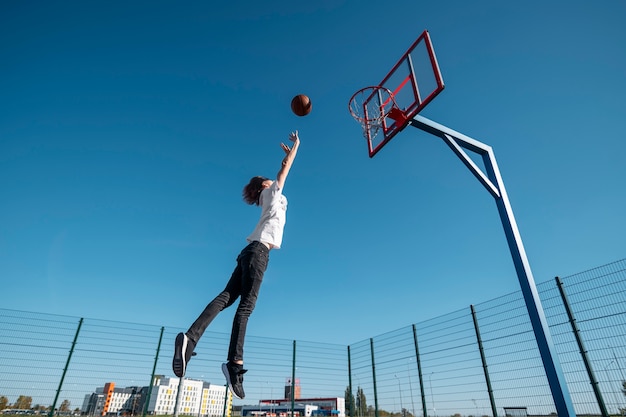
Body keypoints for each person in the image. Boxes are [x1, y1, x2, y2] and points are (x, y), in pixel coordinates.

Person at [172, 130, 301, 400]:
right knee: (246, 307)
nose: (272, 179)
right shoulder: (273, 192)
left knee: (226, 297)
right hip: (258, 253)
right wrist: (295, 148)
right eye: (268, 180)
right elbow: (283, 172)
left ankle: (190, 339)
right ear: (264, 185)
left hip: (248, 252)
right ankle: (235, 364)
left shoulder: (267, 198)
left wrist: (284, 159)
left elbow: (280, 171)